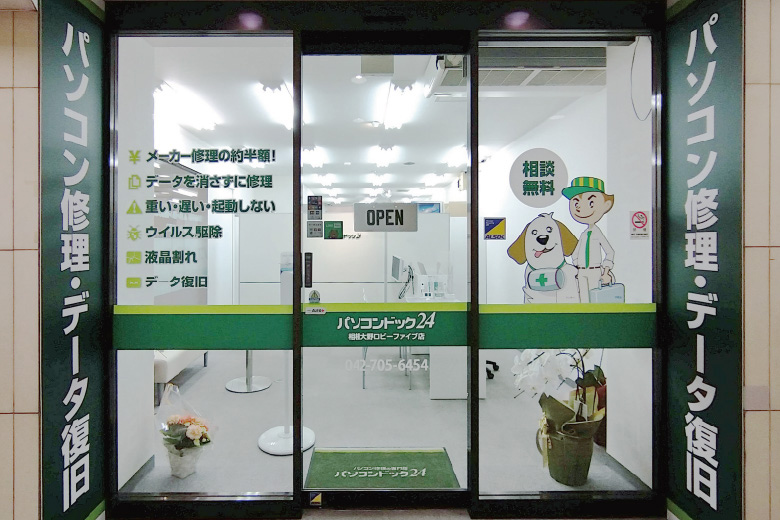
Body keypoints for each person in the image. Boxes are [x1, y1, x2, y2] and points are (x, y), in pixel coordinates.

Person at [562, 177, 615, 303]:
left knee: (595, 299)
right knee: (583, 300)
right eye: (576, 204)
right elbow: (575, 253)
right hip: (581, 272)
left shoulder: (597, 233)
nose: (582, 209)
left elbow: (610, 252)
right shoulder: (584, 234)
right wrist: (576, 266)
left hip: (595, 271)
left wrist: (606, 272)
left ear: (606, 204)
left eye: (591, 203)